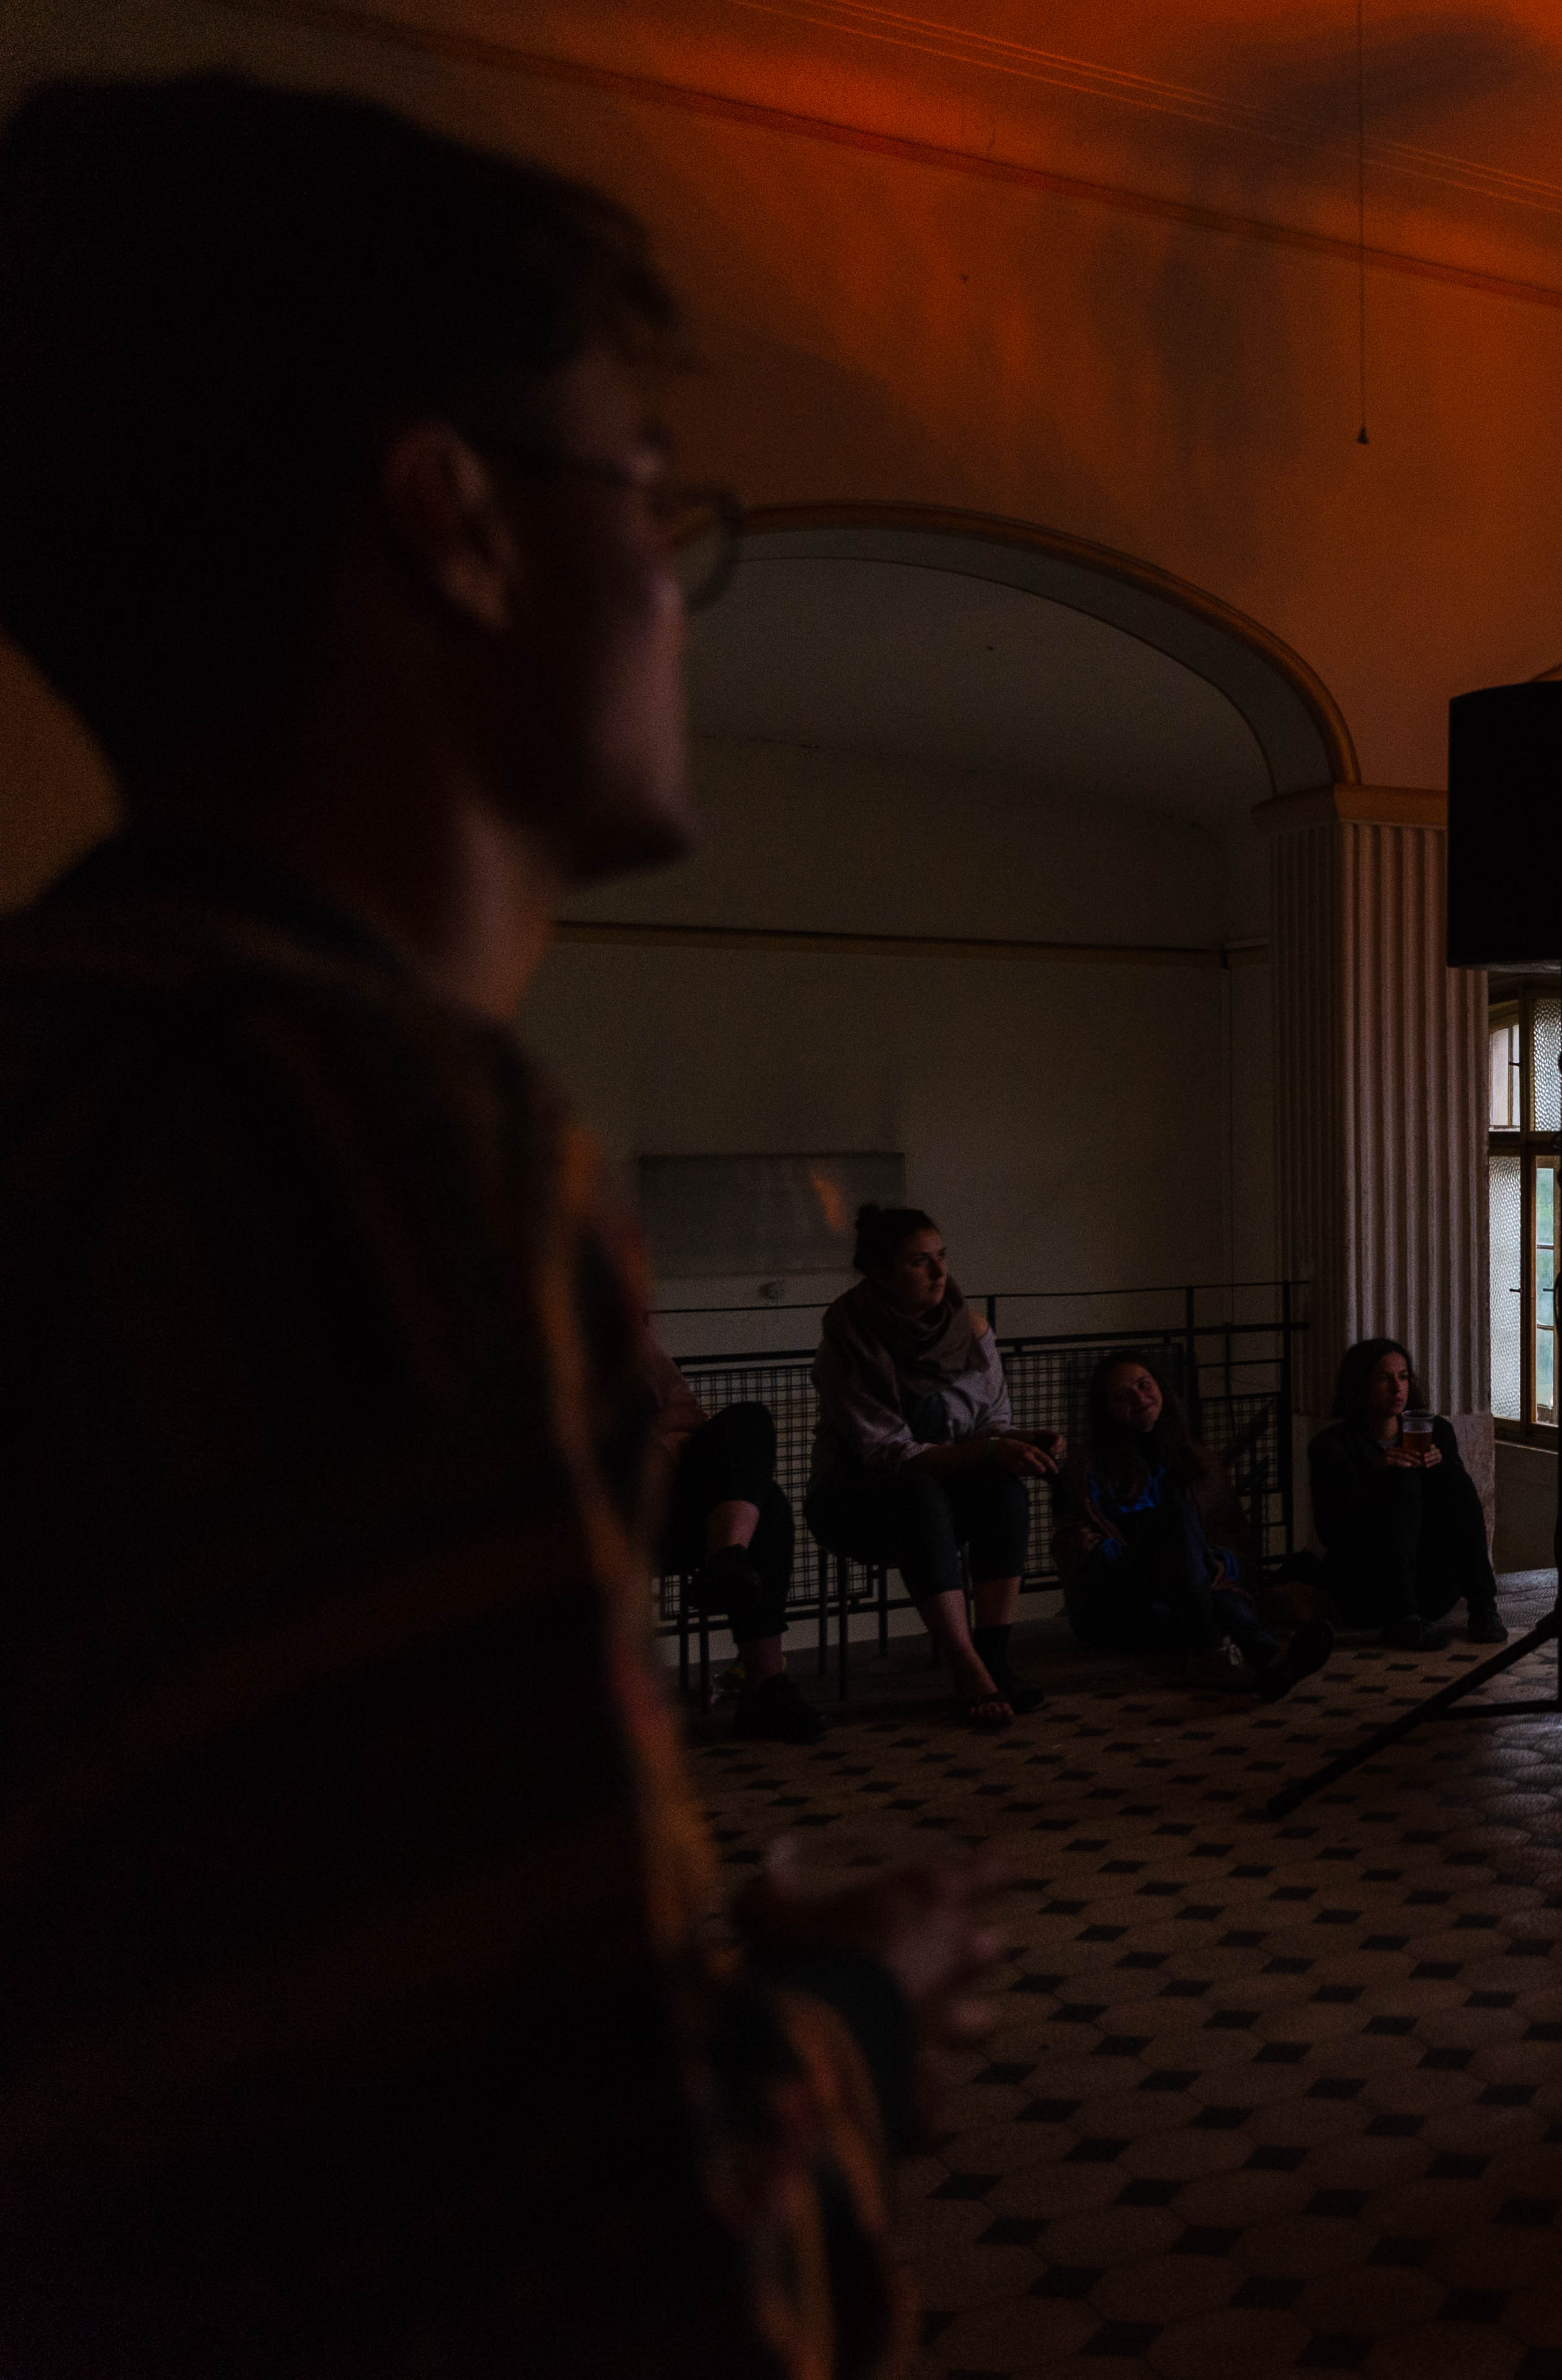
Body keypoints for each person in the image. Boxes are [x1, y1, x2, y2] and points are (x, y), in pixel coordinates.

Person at [0, 75, 996, 2375]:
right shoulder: (371, 1145)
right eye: (644, 494)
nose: (673, 586)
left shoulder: (70, 1061)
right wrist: (854, 2006)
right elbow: (600, 2260)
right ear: (452, 520)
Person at [806, 1203, 1060, 1725]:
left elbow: (991, 1422)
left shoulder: (971, 1331)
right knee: (918, 1492)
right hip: (856, 1499)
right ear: (880, 1273)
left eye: (942, 1256)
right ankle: (965, 1665)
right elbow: (890, 1453)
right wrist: (990, 1450)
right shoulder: (848, 1346)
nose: (940, 1271)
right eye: (919, 1261)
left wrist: (1020, 1442)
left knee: (1002, 1488)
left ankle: (994, 1656)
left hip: (942, 1490)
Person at [1057, 1351, 1332, 1699]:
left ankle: (1269, 1660)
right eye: (1122, 1396)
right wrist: (1175, 1560)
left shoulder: (1195, 1458)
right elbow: (1080, 1550)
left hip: (1190, 1596)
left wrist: (1215, 1561)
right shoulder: (1088, 1466)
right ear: (1107, 1409)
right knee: (1174, 1516)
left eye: (1144, 1385)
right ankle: (1214, 1649)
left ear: (1160, 1387)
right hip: (1121, 1601)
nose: (1139, 1399)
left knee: (1213, 1591)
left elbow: (1234, 1539)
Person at [645, 1335, 827, 1743]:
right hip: (615, 1520)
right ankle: (764, 1686)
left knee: (750, 1422)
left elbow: (691, 1414)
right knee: (768, 1506)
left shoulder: (633, 1344)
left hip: (674, 1499)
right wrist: (654, 1434)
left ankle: (728, 1557)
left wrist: (643, 1436)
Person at [1309, 1337, 1503, 1648]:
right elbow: (1331, 1532)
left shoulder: (1436, 1431)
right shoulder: (1332, 1446)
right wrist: (1375, 1473)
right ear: (1361, 1384)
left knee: (1453, 1477)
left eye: (1403, 1377)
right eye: (1383, 1379)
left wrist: (1442, 1464)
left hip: (1429, 1584)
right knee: (1402, 1479)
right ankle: (1404, 1621)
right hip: (1368, 1586)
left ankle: (1484, 1609)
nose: (1397, 1389)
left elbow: (1457, 1510)